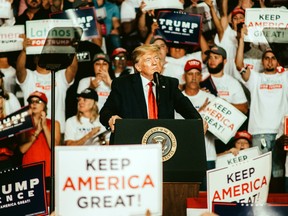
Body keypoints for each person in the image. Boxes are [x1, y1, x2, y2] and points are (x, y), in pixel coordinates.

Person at [100, 44, 207, 141]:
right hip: (133, 142)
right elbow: (105, 112)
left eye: (156, 58)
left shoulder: (169, 84)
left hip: (161, 143)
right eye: (148, 59)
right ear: (138, 67)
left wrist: (199, 121)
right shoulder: (123, 84)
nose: (155, 62)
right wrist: (111, 119)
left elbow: (186, 108)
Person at [237, 46, 288, 180]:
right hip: (260, 132)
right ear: (262, 62)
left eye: (273, 58)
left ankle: (278, 200)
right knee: (260, 173)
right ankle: (261, 201)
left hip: (281, 132)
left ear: (278, 62)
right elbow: (239, 65)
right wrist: (241, 39)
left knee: (278, 171)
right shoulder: (255, 78)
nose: (270, 62)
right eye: (266, 58)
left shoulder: (285, 77)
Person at [16, 36, 78, 135]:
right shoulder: (29, 76)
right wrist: (24, 51)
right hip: (32, 131)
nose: (45, 56)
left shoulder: (59, 76)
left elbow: (73, 68)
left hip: (56, 130)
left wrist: (71, 49)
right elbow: (19, 69)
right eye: (41, 54)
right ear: (35, 59)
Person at [175, 59, 216, 190]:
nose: (193, 78)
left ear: (201, 77)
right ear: (184, 76)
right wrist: (198, 114)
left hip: (207, 156)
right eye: (190, 74)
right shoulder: (176, 100)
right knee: (185, 196)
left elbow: (222, 130)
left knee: (207, 197)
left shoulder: (211, 99)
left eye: (197, 74)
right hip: (184, 156)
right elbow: (177, 128)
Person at [19, 91, 60, 189]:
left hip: (48, 172)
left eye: (37, 101)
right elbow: (22, 149)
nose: (33, 104)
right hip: (29, 171)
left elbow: (54, 148)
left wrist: (44, 127)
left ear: (44, 105)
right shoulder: (23, 124)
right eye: (31, 102)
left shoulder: (54, 124)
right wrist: (37, 131)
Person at [205, 45, 248, 114]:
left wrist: (225, 105)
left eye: (216, 57)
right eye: (210, 57)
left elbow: (244, 108)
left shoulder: (233, 82)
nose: (212, 61)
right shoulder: (200, 78)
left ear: (224, 61)